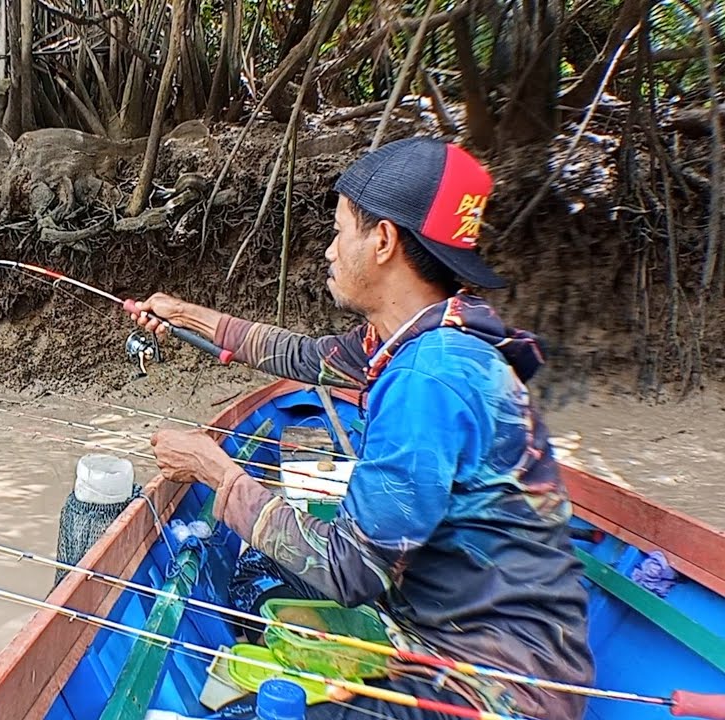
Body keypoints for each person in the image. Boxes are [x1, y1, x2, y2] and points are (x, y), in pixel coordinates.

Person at [130, 137, 594, 720]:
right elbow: (304, 357)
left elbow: (350, 571)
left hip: (492, 689)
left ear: (383, 241)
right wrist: (189, 316)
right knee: (267, 577)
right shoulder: (422, 336)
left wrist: (213, 469)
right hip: (442, 642)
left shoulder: (430, 377)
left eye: (340, 229)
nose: (328, 250)